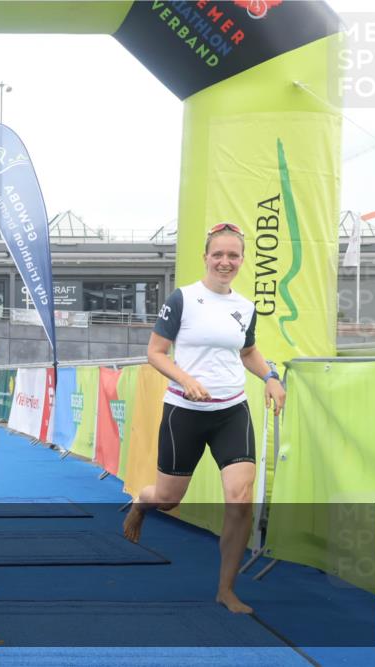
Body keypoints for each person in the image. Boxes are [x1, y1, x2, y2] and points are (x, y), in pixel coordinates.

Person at [122, 222, 286, 614]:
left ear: (242, 260)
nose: (225, 262)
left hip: (232, 411)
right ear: (206, 257)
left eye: (233, 255)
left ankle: (226, 589)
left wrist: (271, 376)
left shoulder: (245, 307)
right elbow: (156, 352)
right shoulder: (183, 299)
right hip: (185, 411)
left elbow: (247, 352)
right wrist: (187, 380)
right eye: (219, 254)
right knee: (167, 498)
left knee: (240, 498)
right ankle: (141, 504)